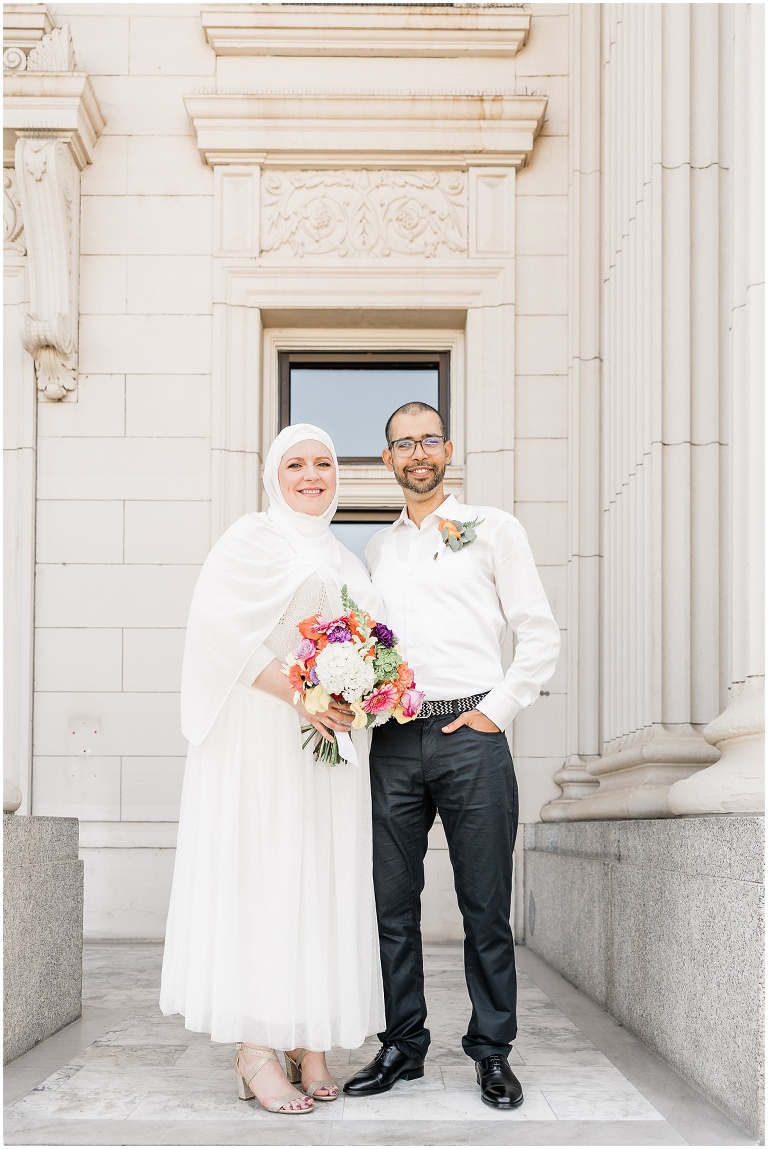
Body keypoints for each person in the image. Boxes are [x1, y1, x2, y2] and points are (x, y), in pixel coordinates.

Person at [160, 423, 384, 1116]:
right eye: (296, 464)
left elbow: (370, 646)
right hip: (262, 740)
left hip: (327, 755)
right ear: (273, 474)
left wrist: (357, 693)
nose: (311, 474)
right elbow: (218, 631)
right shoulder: (249, 540)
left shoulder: (347, 560)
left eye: (323, 462)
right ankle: (257, 1046)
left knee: (319, 881)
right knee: (267, 876)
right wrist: (302, 694)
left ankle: (309, 1038)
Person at [343, 402, 560, 1110]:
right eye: (402, 443)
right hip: (396, 738)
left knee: (484, 905)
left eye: (428, 439)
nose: (417, 453)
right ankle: (403, 1044)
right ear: (388, 461)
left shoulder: (493, 529)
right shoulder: (379, 551)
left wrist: (496, 711)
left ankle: (492, 1050)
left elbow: (539, 632)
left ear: (449, 449)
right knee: (392, 904)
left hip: (473, 732)